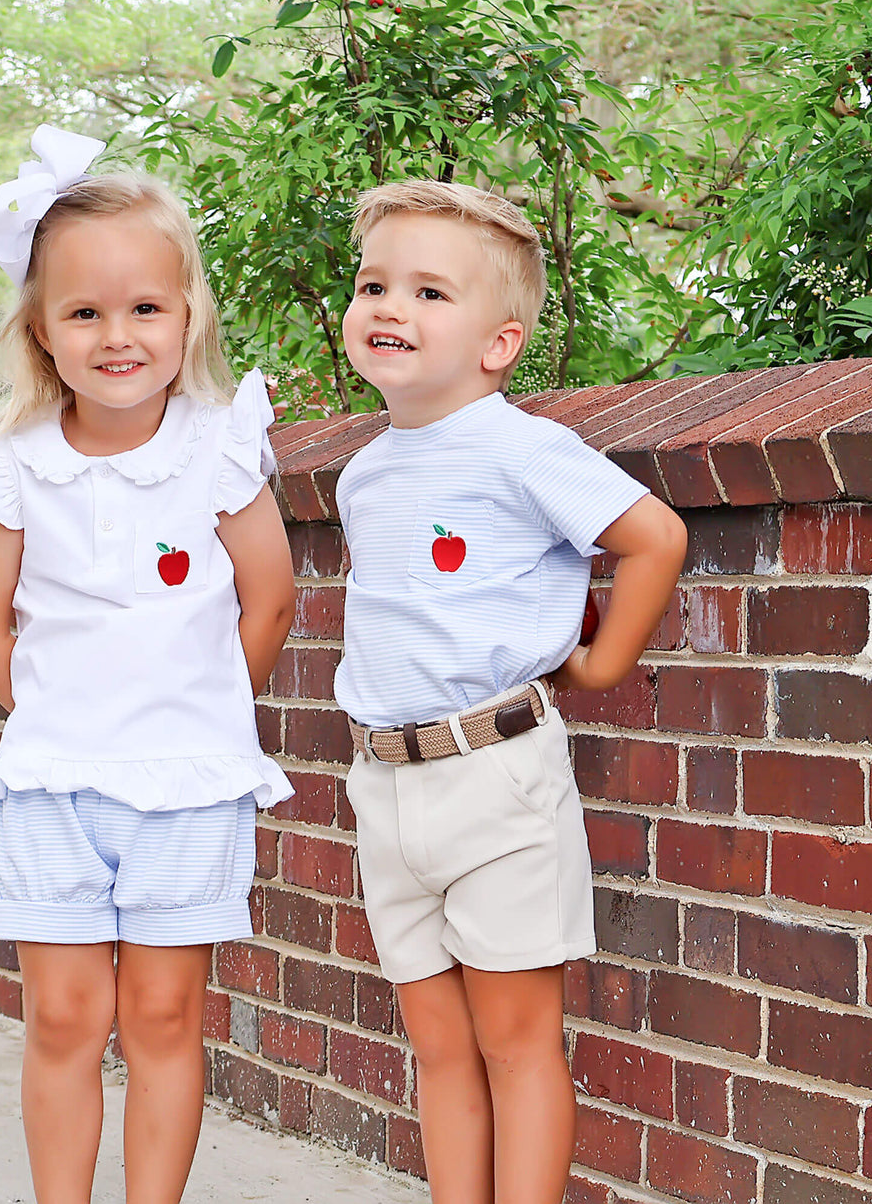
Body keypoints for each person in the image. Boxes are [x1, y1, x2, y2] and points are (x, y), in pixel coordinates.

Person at [0, 124, 295, 1204]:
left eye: (144, 307)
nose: (116, 335)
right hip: (54, 784)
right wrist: (68, 713)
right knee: (63, 1016)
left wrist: (187, 710)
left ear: (185, 316)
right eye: (84, 312)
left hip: (185, 786)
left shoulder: (217, 444)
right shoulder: (16, 463)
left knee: (159, 1015)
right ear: (41, 330)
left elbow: (269, 596)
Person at [334, 180, 687, 1204]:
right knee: (437, 1046)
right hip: (384, 781)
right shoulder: (362, 474)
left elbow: (650, 534)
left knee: (516, 1039)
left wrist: (601, 662)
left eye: (429, 292)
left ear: (497, 342)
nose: (390, 307)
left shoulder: (521, 447)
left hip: (495, 778)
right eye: (374, 284)